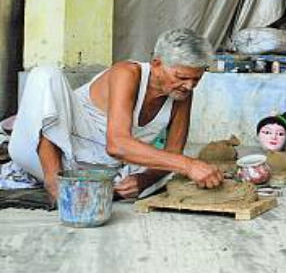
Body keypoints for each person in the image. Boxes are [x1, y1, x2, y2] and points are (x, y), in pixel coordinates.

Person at [7, 28, 223, 200]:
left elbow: (173, 152)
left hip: (105, 174)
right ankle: (56, 187)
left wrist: (144, 180)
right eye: (182, 77)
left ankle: (89, 190)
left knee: (166, 175)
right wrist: (189, 165)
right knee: (46, 74)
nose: (189, 86)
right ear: (157, 64)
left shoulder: (181, 94)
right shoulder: (127, 73)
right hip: (50, 159)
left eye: (196, 79)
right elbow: (117, 145)